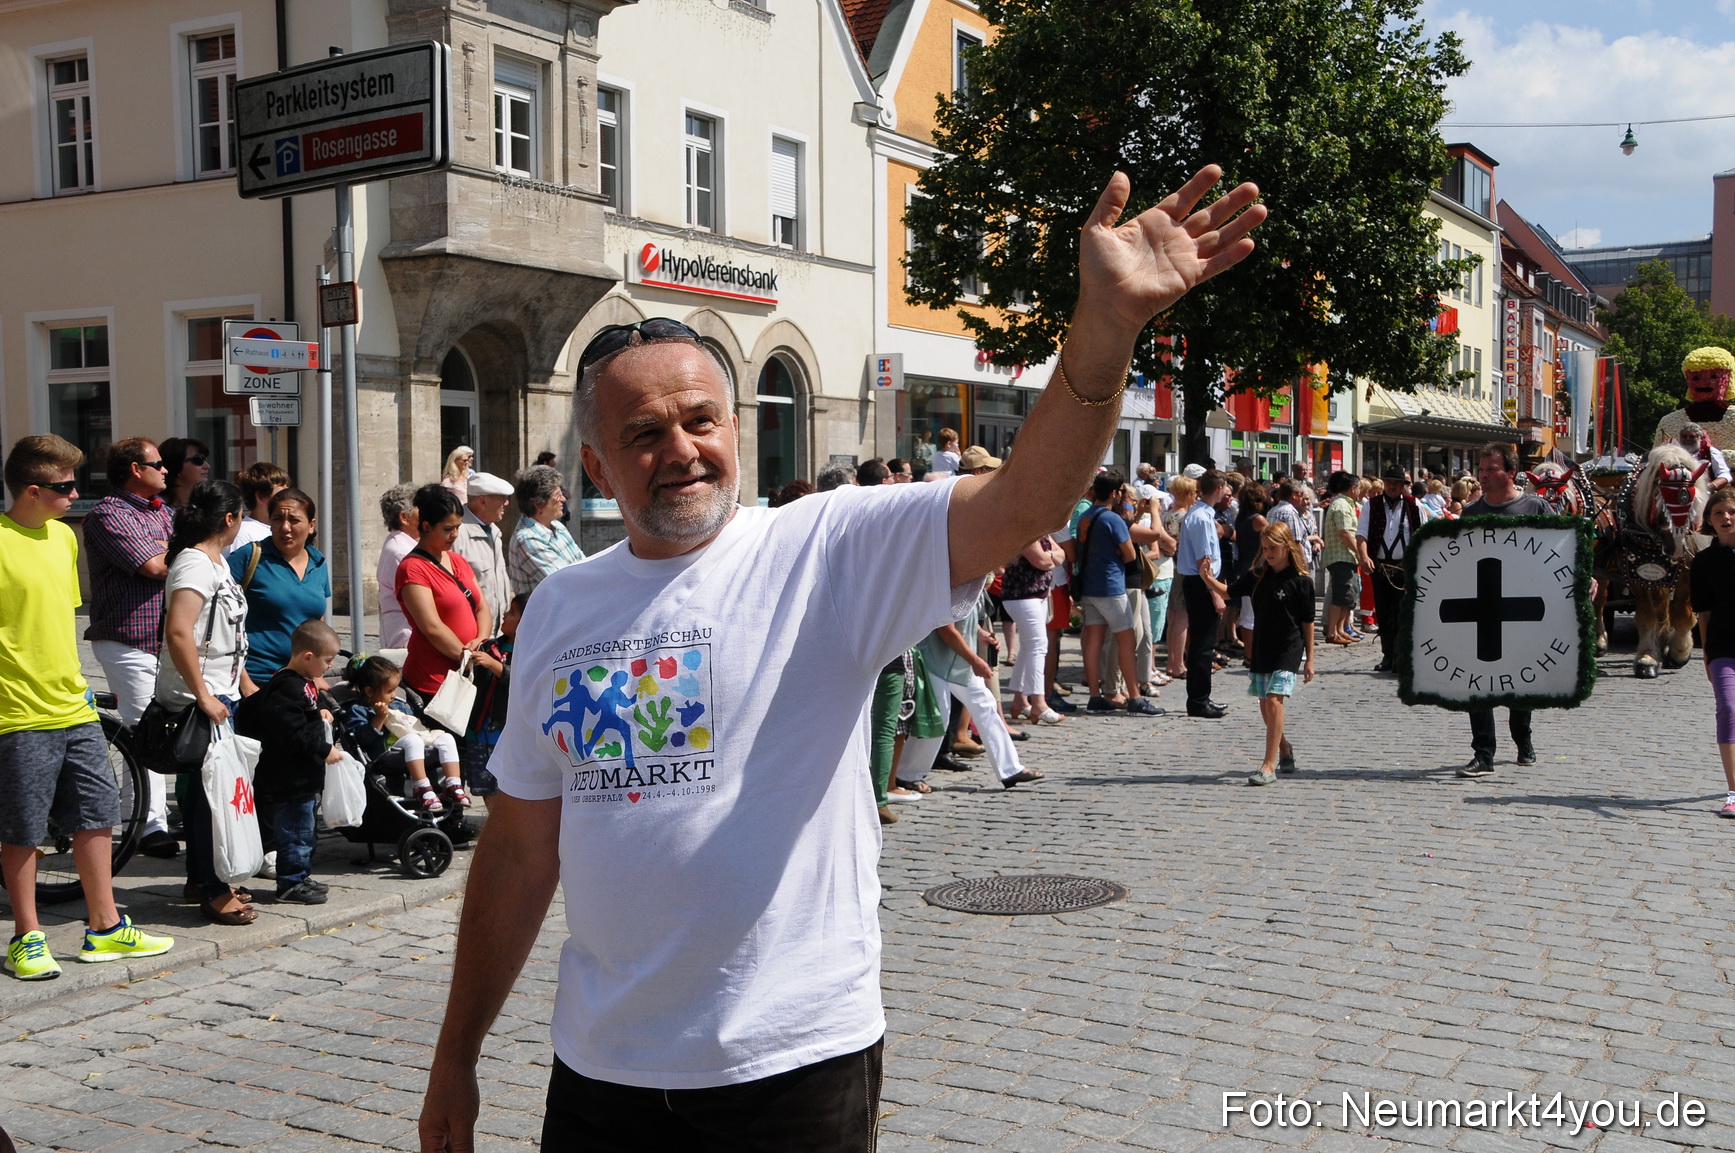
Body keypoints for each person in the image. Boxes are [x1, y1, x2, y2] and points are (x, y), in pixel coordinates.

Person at [417, 164, 1264, 1149]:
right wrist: (455, 1052)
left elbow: (1025, 502)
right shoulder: (561, 607)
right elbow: (520, 850)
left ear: (735, 428)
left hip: (792, 1070)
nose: (680, 448)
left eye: (700, 420)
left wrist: (1105, 329)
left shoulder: (825, 547)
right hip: (601, 1076)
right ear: (598, 465)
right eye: (643, 433)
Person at [2, 435, 176, 979]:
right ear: (32, 490)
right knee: (23, 828)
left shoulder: (62, 538)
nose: (76, 495)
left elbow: (59, 621)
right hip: (18, 713)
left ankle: (103, 928)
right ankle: (26, 936)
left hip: (74, 706)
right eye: (64, 487)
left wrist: (78, 685)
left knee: (99, 816)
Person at [154, 480, 258, 927]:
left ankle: (202, 878)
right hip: (200, 699)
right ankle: (213, 890)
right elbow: (179, 632)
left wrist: (244, 683)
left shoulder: (215, 561)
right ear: (230, 518)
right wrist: (204, 696)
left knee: (201, 796)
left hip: (220, 692)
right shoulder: (196, 563)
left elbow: (227, 634)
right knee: (210, 798)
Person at [80, 437, 179, 859]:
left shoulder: (166, 513)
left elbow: (189, 556)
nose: (166, 470)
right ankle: (148, 826)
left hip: (168, 641)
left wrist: (174, 552)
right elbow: (156, 567)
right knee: (144, 730)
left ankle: (141, 814)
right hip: (127, 639)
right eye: (158, 463)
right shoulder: (107, 514)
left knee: (165, 729)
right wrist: (174, 553)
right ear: (135, 469)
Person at [1457, 442, 1554, 779]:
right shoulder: (1469, 513)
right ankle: (1483, 753)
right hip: (1482, 606)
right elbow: (1457, 560)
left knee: (1519, 677)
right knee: (1477, 678)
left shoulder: (1535, 507)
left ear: (1511, 472)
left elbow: (1563, 547)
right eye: (1481, 470)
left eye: (1491, 469)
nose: (1482, 476)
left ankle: (1522, 737)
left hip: (1523, 609)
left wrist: (1581, 577)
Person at [237, 619, 342, 905]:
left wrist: (320, 710)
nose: (330, 667)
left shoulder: (302, 682)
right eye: (328, 660)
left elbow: (304, 712)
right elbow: (291, 731)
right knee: (295, 833)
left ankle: (300, 875)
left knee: (305, 832)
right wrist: (323, 750)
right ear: (308, 657)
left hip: (302, 778)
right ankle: (290, 884)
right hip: (289, 779)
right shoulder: (286, 687)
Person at [397, 485, 504, 705]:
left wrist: (480, 641)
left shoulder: (457, 560)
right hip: (435, 679)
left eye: (457, 527)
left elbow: (482, 607)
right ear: (426, 526)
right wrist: (466, 657)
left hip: (471, 671)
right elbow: (431, 627)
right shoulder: (412, 568)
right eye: (448, 529)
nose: (455, 535)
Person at [1229, 523, 1316, 785]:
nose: (1268, 553)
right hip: (1263, 645)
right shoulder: (1257, 577)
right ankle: (1285, 747)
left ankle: (1269, 765)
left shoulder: (1301, 582)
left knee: (1275, 699)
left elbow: (1308, 621)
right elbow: (1228, 592)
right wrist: (1206, 577)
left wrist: (1310, 658)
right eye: (1264, 548)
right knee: (1265, 703)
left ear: (1286, 547)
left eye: (1273, 548)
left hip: (1289, 647)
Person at [1075, 472, 1163, 715]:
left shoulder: (1085, 516)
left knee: (1093, 640)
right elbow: (1131, 555)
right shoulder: (1112, 519)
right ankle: (1135, 696)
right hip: (1111, 586)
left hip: (1089, 585)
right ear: (1114, 494)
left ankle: (1095, 694)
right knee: (1126, 640)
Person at [230, 488, 331, 686]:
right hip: (258, 679)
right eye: (277, 519)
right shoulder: (249, 557)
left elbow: (316, 622)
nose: (285, 527)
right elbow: (222, 621)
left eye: (294, 520)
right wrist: (245, 682)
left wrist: (317, 675)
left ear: (311, 525)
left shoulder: (318, 563)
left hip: (301, 680)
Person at [342, 655, 468, 813]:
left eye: (395, 689)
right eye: (389, 691)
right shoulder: (359, 711)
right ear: (369, 691)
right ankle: (422, 787)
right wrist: (379, 718)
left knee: (446, 737)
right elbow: (363, 739)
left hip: (413, 750)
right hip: (384, 756)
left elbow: (412, 725)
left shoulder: (399, 705)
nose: (394, 695)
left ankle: (454, 785)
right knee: (412, 740)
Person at [1692, 487, 1735, 815]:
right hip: (1722, 644)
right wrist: (1706, 654)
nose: (1726, 518)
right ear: (1709, 519)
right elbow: (1703, 612)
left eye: (1731, 512)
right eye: (1719, 513)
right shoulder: (1704, 562)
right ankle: (1733, 791)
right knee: (1729, 709)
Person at [1176, 471, 1232, 718]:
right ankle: (1198, 700)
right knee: (1202, 644)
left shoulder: (1203, 515)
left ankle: (1202, 697)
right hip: (1200, 583)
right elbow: (1203, 560)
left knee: (1205, 643)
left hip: (1203, 581)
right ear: (1218, 488)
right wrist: (1214, 592)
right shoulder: (1200, 517)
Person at [1357, 467, 1422, 674]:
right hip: (1380, 567)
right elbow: (1361, 535)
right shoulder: (1372, 505)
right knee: (1384, 613)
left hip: (1404, 567)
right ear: (1384, 484)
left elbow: (1423, 535)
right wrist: (1364, 557)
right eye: (1389, 482)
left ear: (1404, 486)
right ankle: (1388, 656)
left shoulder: (1414, 505)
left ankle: (1402, 657)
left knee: (1403, 613)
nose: (1392, 486)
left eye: (1396, 482)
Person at [1000, 530, 1066, 724]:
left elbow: (1061, 555)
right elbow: (1042, 562)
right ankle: (1039, 701)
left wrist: (1050, 556)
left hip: (1038, 594)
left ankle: (1020, 700)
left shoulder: (1041, 531)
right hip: (1022, 595)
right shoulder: (1025, 531)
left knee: (1029, 647)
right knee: (1038, 646)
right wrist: (1051, 557)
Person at [508, 465, 585, 598]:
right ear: (538, 504)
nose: (563, 499)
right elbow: (566, 583)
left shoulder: (557, 527)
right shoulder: (528, 539)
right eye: (557, 495)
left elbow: (584, 564)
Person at [455, 472, 514, 621]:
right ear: (482, 501)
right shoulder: (456, 533)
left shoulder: (493, 530)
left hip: (498, 630)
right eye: (501, 498)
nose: (506, 503)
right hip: (473, 630)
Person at [1320, 471, 1361, 646]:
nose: (1359, 491)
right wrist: (1360, 552)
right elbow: (1344, 533)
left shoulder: (1345, 504)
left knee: (1347, 597)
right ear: (1353, 488)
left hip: (1346, 558)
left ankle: (1340, 630)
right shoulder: (1342, 505)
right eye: (1358, 487)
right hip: (1341, 557)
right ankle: (1332, 632)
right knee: (1340, 596)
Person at [377, 484, 420, 649]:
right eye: (421, 509)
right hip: (406, 637)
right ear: (404, 517)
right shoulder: (400, 551)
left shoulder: (406, 545)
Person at [225, 461, 289, 557]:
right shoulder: (242, 534)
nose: (287, 498)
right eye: (281, 494)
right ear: (261, 497)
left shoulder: (283, 530)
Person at [157, 437, 211, 509]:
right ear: (175, 466)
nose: (207, 466)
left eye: (205, 459)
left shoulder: (199, 509)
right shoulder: (155, 509)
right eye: (198, 459)